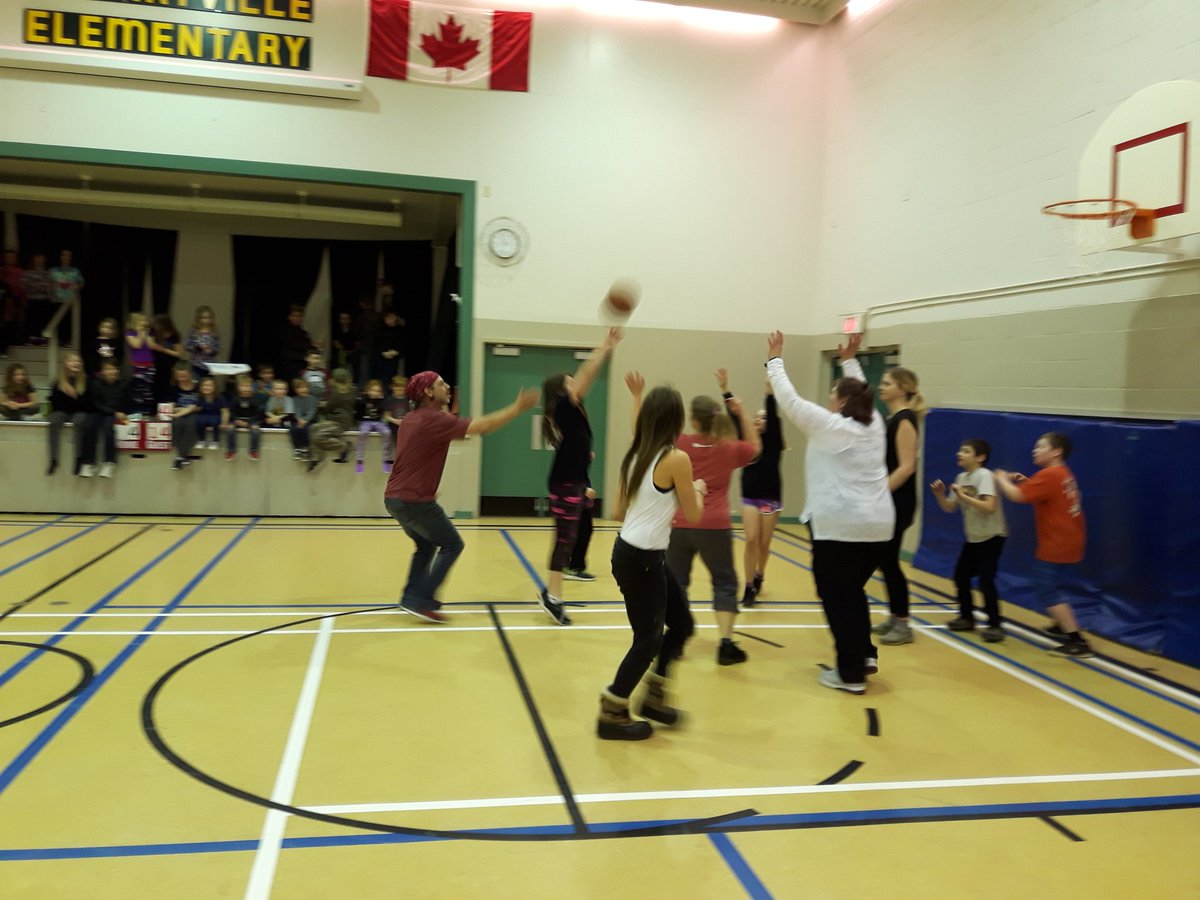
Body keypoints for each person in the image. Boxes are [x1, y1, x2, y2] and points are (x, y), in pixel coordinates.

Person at [767, 331, 894, 694]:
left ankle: (850, 673)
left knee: (837, 598)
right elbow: (864, 392)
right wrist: (850, 361)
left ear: (839, 402)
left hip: (840, 529)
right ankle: (864, 655)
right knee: (853, 592)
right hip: (877, 529)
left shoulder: (831, 427)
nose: (828, 399)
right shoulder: (876, 426)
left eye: (832, 394)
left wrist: (775, 360)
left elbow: (789, 401)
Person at [597, 373, 705, 740]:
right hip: (642, 559)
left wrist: (637, 397)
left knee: (683, 625)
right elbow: (694, 515)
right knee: (648, 640)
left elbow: (614, 511)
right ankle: (612, 710)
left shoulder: (636, 454)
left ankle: (654, 697)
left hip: (636, 553)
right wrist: (698, 490)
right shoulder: (677, 459)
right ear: (676, 421)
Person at [384, 371, 538, 622]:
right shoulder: (434, 419)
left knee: (426, 544)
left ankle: (411, 597)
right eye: (441, 384)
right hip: (415, 499)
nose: (447, 387)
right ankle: (423, 600)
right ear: (427, 392)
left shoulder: (411, 419)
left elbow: (418, 454)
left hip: (394, 499)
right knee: (453, 544)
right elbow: (483, 426)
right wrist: (517, 407)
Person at [665, 372, 760, 665]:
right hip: (715, 525)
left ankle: (676, 640)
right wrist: (741, 410)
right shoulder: (730, 447)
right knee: (725, 582)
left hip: (680, 523)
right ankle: (726, 644)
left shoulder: (679, 442)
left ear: (694, 420)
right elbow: (756, 447)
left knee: (677, 582)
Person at [538, 327, 622, 625]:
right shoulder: (564, 405)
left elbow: (576, 451)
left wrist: (585, 481)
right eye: (569, 381)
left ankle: (552, 592)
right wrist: (605, 346)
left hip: (572, 481)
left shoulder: (574, 414)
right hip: (564, 483)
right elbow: (587, 373)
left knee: (570, 539)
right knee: (564, 540)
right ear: (563, 391)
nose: (575, 381)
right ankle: (553, 597)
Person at [993, 433, 1093, 658]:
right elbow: (1048, 495)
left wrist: (1001, 479)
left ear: (1056, 451)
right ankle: (1061, 624)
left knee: (1045, 587)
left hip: (1057, 542)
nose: (1034, 451)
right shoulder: (1062, 474)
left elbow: (1017, 496)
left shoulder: (1049, 474)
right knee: (1051, 583)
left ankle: (1076, 641)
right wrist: (1028, 483)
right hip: (1071, 539)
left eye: (1040, 447)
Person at [929, 439, 1008, 642]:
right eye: (960, 450)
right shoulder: (961, 477)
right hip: (974, 538)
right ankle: (967, 618)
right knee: (960, 576)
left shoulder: (984, 476)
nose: (959, 453)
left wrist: (963, 496)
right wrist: (940, 495)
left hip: (992, 536)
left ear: (980, 457)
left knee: (985, 580)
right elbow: (949, 507)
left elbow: (989, 506)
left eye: (965, 451)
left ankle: (995, 625)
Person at [870, 362, 926, 646]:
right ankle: (896, 616)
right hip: (889, 498)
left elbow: (906, 468)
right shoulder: (892, 418)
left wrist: (879, 493)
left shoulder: (905, 420)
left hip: (898, 500)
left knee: (889, 561)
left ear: (903, 389)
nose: (882, 386)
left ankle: (903, 623)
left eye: (888, 383)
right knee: (885, 560)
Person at [737, 377, 785, 607]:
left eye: (763, 416)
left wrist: (769, 391)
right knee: (751, 540)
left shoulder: (774, 442)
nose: (759, 419)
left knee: (764, 544)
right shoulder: (747, 441)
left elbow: (773, 415)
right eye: (756, 417)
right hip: (749, 496)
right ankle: (748, 587)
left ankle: (759, 575)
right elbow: (737, 420)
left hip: (770, 497)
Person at [47, 351, 91, 476]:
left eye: (78, 361)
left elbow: (88, 404)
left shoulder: (86, 381)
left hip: (80, 411)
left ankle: (79, 458)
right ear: (66, 363)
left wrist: (75, 395)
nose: (75, 363)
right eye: (72, 361)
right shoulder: (58, 382)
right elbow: (54, 404)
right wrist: (64, 392)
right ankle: (54, 458)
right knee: (54, 421)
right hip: (62, 411)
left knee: (79, 422)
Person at [82, 359, 126, 478]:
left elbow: (127, 401)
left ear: (117, 370)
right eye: (108, 369)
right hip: (99, 412)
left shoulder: (123, 384)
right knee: (89, 426)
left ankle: (109, 462)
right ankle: (88, 463)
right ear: (102, 371)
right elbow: (96, 403)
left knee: (108, 429)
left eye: (114, 369)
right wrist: (114, 412)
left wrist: (122, 412)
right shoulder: (96, 384)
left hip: (113, 415)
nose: (111, 371)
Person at [355, 378, 392, 473]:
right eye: (373, 390)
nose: (375, 393)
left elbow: (383, 414)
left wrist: (383, 419)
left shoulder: (382, 401)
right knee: (363, 433)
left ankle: (385, 459)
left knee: (387, 432)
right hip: (365, 421)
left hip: (378, 422)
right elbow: (358, 413)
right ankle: (359, 460)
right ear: (368, 391)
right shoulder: (362, 400)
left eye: (378, 391)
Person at [169, 363, 201, 471]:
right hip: (178, 413)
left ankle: (180, 457)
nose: (181, 379)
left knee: (190, 425)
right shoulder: (174, 388)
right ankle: (181, 455)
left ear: (190, 374)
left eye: (184, 376)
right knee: (176, 424)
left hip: (193, 413)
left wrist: (188, 409)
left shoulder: (197, 387)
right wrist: (183, 410)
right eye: (179, 377)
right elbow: (172, 407)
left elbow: (199, 406)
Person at [222, 376, 263, 461]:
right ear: (238, 387)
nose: (245, 389)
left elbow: (257, 413)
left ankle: (253, 450)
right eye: (243, 386)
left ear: (252, 387)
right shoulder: (235, 398)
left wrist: (250, 423)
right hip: (237, 419)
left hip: (251, 420)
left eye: (248, 386)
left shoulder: (255, 399)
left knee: (255, 430)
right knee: (230, 429)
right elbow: (232, 411)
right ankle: (231, 450)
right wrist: (236, 420)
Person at [49, 249, 84, 344]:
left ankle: (67, 341)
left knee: (68, 322)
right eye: (64, 255)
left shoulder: (75, 271)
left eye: (68, 256)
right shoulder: (54, 270)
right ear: (61, 257)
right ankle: (56, 341)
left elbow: (81, 282)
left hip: (70, 300)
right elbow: (49, 282)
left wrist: (76, 290)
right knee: (57, 322)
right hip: (57, 300)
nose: (66, 258)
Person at [124, 312, 156, 416]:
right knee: (138, 387)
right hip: (138, 364)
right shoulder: (130, 333)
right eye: (143, 320)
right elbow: (136, 345)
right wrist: (141, 333)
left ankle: (148, 409)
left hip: (150, 364)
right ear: (135, 322)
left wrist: (146, 334)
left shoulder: (149, 332)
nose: (145, 322)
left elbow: (151, 346)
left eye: (146, 320)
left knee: (148, 388)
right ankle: (137, 409)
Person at [151, 314, 186, 407]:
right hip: (156, 364)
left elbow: (178, 353)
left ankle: (166, 410)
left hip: (170, 365)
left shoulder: (174, 335)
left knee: (168, 388)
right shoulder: (153, 332)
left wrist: (163, 349)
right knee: (156, 388)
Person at [278, 305, 315, 385]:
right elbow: (294, 344)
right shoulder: (285, 330)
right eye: (295, 316)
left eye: (300, 316)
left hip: (302, 364)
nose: (297, 318)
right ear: (289, 317)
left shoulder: (303, 332)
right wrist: (309, 344)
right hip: (290, 364)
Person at [22, 253, 54, 345]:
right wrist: (37, 285)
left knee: (43, 320)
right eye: (37, 258)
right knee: (31, 320)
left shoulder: (47, 273)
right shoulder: (28, 272)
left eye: (41, 258)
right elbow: (24, 285)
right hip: (31, 300)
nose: (39, 260)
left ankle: (43, 339)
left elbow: (48, 286)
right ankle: (31, 338)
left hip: (44, 301)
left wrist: (34, 284)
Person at [184, 306, 220, 379]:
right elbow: (187, 345)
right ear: (198, 318)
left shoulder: (214, 331)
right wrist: (198, 347)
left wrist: (211, 351)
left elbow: (218, 347)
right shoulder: (193, 330)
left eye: (208, 318)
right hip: (196, 365)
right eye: (203, 318)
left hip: (210, 366)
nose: (206, 320)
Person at [1, 249, 25, 358]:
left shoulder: (19, 271)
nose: (10, 259)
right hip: (4, 298)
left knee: (13, 321)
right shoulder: (2, 270)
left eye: (12, 257)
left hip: (15, 298)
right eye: (8, 257)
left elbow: (22, 285)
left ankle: (15, 341)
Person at [194, 376, 225, 451]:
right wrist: (197, 409)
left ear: (215, 387)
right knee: (199, 421)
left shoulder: (220, 398)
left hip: (215, 415)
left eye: (209, 385)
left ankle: (215, 441)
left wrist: (224, 422)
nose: (206, 387)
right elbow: (196, 408)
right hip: (203, 415)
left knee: (215, 422)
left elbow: (225, 411)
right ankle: (201, 440)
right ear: (200, 387)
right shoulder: (199, 397)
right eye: (204, 385)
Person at [375, 309, 406, 382]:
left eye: (391, 318)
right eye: (386, 318)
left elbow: (403, 343)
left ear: (395, 317)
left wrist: (396, 352)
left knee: (393, 378)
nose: (388, 320)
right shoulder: (381, 329)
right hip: (382, 358)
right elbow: (377, 343)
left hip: (396, 358)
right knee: (382, 377)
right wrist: (382, 352)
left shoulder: (401, 330)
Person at [291, 377, 317, 461]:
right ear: (296, 390)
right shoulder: (294, 399)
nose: (303, 390)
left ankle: (305, 449)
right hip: (299, 420)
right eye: (300, 388)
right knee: (293, 429)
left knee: (305, 429)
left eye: (305, 387)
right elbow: (296, 411)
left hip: (310, 420)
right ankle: (297, 449)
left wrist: (305, 421)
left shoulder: (313, 399)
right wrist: (299, 420)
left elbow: (312, 412)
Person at [383, 374, 409, 442]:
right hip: (392, 424)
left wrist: (404, 420)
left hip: (404, 424)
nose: (399, 389)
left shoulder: (406, 400)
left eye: (402, 387)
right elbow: (386, 416)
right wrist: (396, 421)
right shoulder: (389, 400)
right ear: (392, 387)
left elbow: (409, 413)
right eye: (397, 387)